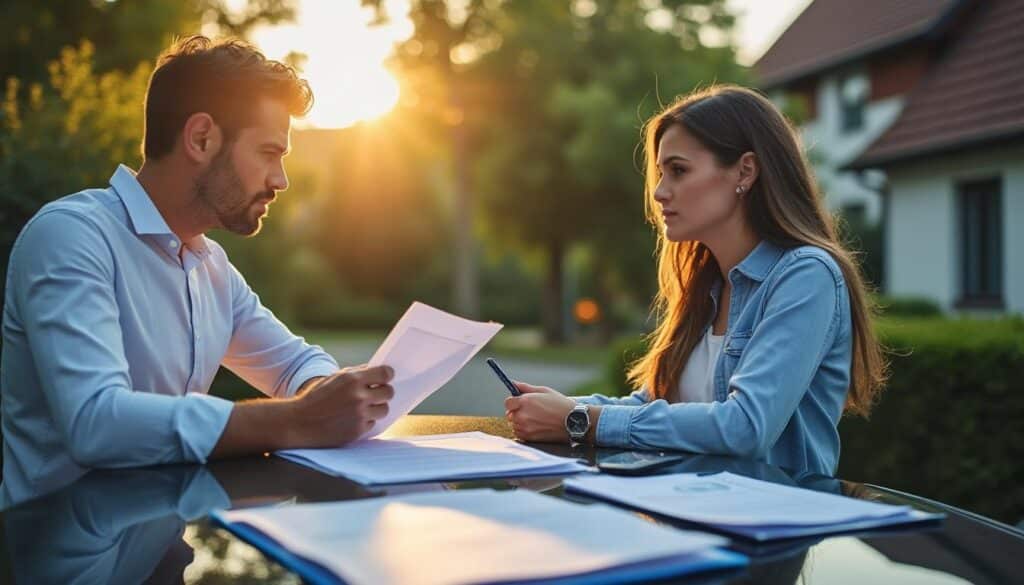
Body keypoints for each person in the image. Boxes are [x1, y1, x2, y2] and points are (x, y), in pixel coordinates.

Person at [0, 36, 394, 504]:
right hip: (61, 554)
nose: (281, 181)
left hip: (167, 547)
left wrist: (325, 396)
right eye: (270, 153)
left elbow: (295, 362)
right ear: (201, 138)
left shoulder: (211, 267)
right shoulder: (70, 237)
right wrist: (298, 419)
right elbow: (96, 423)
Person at [505, 85, 886, 476]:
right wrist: (564, 406)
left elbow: (746, 427)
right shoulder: (707, 287)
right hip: (687, 512)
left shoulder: (806, 275)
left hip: (767, 525)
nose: (658, 191)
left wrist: (581, 420)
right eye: (660, 172)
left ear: (745, 171)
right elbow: (657, 404)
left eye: (678, 170)